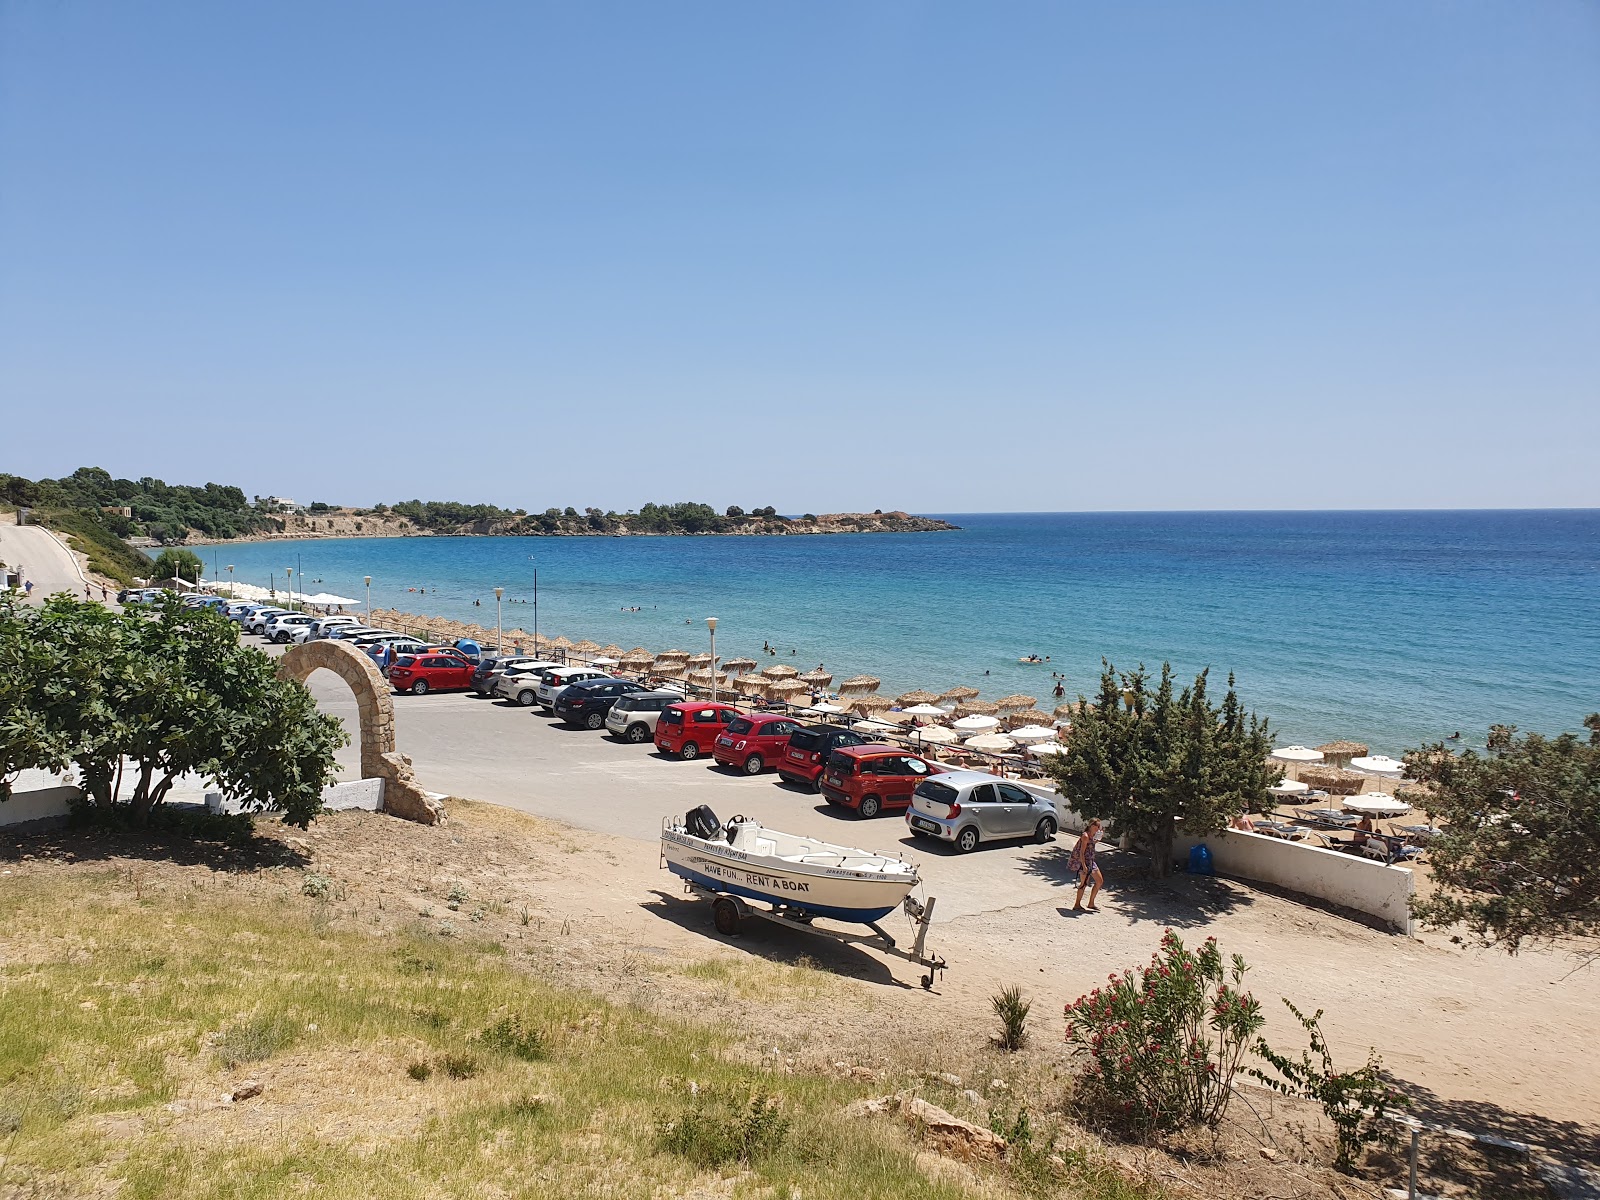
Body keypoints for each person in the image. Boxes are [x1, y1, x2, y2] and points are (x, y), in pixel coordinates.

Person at [1069, 820, 1103, 912]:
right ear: (1091, 826)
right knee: (1084, 884)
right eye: (1097, 826)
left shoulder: (1092, 836)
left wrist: (1097, 840)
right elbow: (1081, 852)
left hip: (1091, 861)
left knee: (1099, 881)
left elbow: (1090, 845)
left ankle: (1091, 903)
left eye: (1099, 826)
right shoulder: (1085, 836)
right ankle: (1077, 905)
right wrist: (1084, 866)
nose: (1098, 828)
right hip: (1085, 862)